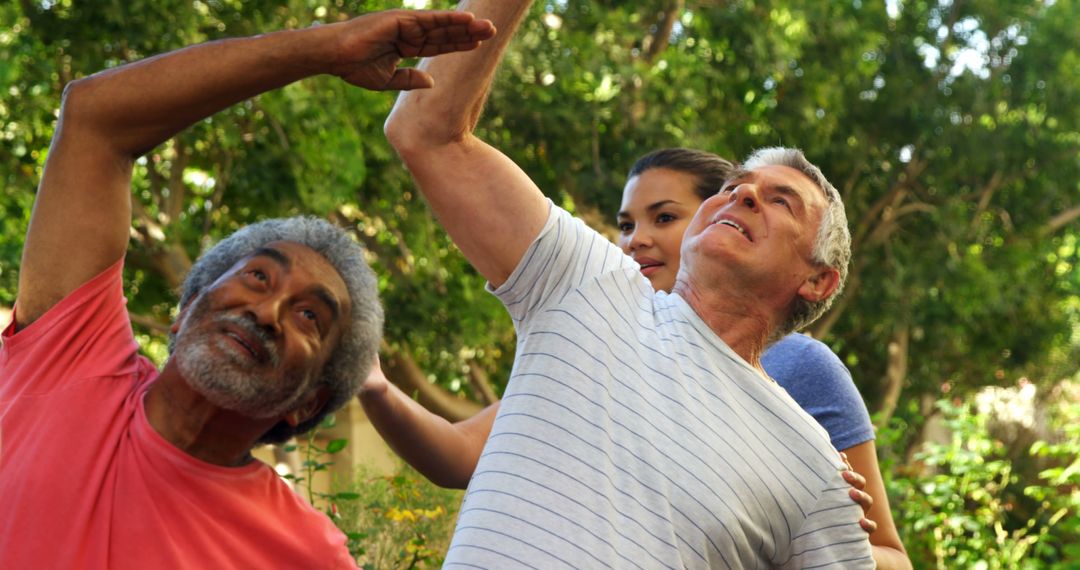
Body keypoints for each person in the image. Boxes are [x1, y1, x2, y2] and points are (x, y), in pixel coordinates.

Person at [385, 1, 875, 567]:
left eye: (780, 201)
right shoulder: (590, 282)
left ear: (818, 280)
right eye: (737, 185)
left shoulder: (814, 466)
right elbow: (426, 130)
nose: (744, 195)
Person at [0, 10, 495, 569]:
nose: (268, 311)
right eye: (258, 276)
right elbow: (93, 118)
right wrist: (322, 51)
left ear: (307, 402)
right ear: (187, 308)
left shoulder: (305, 553)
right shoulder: (68, 358)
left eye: (310, 317)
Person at [361, 148, 911, 567]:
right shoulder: (595, 319)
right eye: (627, 225)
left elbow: (877, 552)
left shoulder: (802, 380)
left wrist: (806, 518)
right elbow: (460, 454)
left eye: (663, 218)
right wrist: (373, 384)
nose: (636, 241)